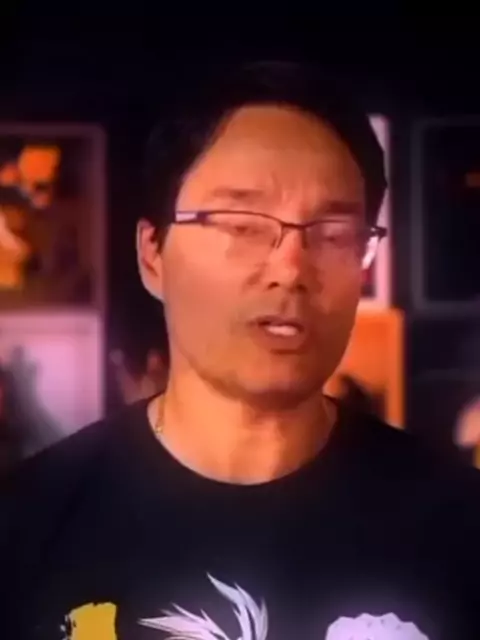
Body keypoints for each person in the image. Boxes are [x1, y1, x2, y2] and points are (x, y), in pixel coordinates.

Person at [1, 61, 479, 640]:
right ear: (152, 253)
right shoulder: (26, 526)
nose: (290, 269)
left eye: (333, 234)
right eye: (242, 225)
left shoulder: (459, 527)